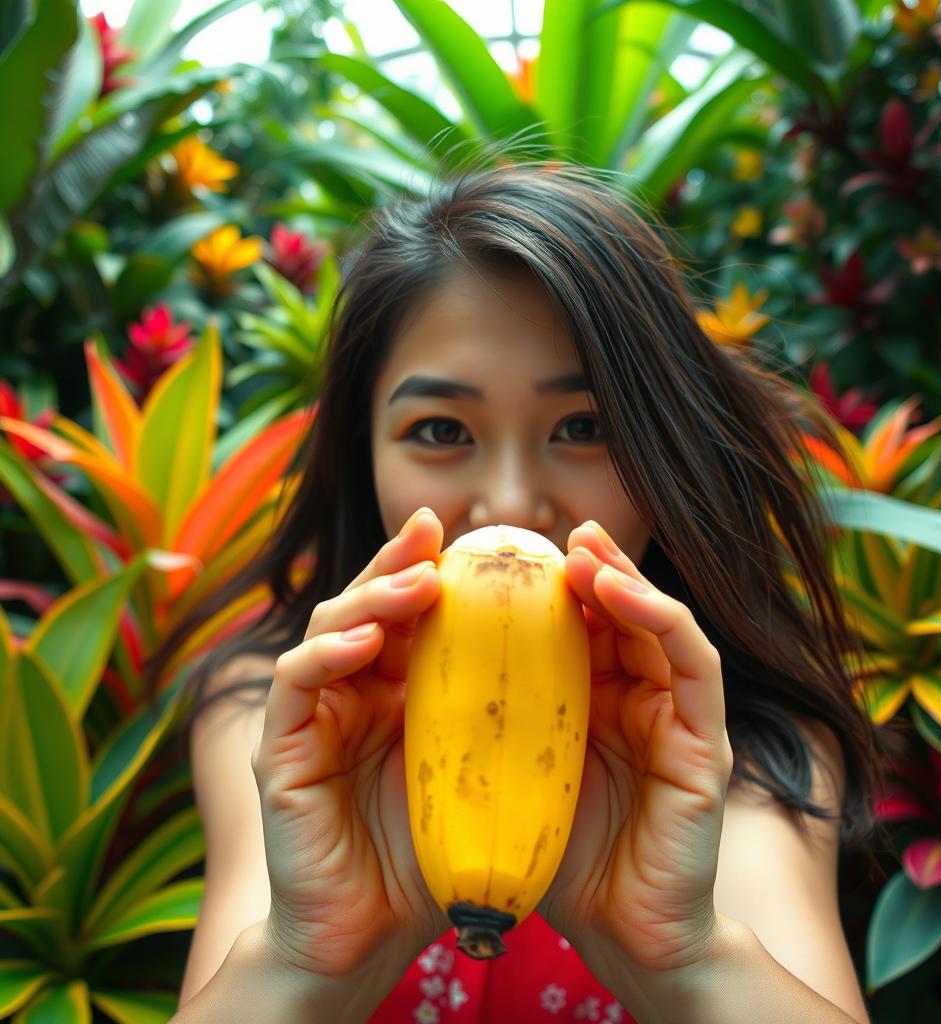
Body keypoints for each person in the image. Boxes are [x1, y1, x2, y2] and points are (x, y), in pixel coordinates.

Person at [146, 157, 897, 1023]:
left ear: (664, 450)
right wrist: (310, 961)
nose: (507, 504)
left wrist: (679, 960)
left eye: (582, 427)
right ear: (365, 456)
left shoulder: (737, 740)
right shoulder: (287, 712)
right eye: (440, 430)